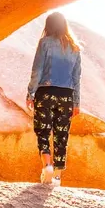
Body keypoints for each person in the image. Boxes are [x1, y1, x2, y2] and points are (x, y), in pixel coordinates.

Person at [26, 12, 83, 187]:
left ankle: (47, 166)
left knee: (42, 131)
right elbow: (76, 78)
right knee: (61, 134)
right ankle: (57, 175)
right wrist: (76, 103)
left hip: (46, 92)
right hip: (66, 96)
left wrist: (30, 93)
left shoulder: (45, 43)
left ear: (48, 25)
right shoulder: (75, 48)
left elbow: (37, 70)